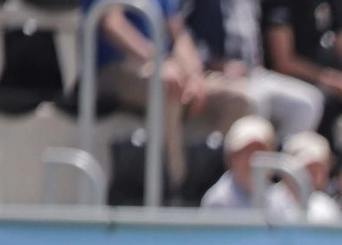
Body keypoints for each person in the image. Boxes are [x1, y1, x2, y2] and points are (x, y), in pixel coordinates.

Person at [85, 0, 253, 191]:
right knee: (167, 89)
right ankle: (173, 190)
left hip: (164, 69)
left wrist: (194, 78)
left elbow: (178, 34)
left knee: (237, 99)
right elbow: (112, 24)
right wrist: (161, 61)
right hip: (114, 70)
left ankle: (217, 190)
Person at [186, 0, 324, 140]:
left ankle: (281, 157)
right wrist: (220, 65)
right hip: (215, 73)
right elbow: (189, 37)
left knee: (308, 103)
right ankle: (247, 159)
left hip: (253, 73)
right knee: (256, 100)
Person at [261, 0, 342, 146]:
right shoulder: (280, 4)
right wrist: (330, 80)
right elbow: (283, 62)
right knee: (325, 103)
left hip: (335, 80)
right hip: (301, 81)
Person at [200, 114, 302, 217]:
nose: (253, 159)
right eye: (245, 151)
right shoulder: (218, 201)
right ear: (230, 158)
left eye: (260, 149)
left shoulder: (279, 198)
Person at [282, 131, 341, 221]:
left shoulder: (328, 208)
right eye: (309, 167)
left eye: (320, 168)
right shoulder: (267, 201)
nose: (315, 173)